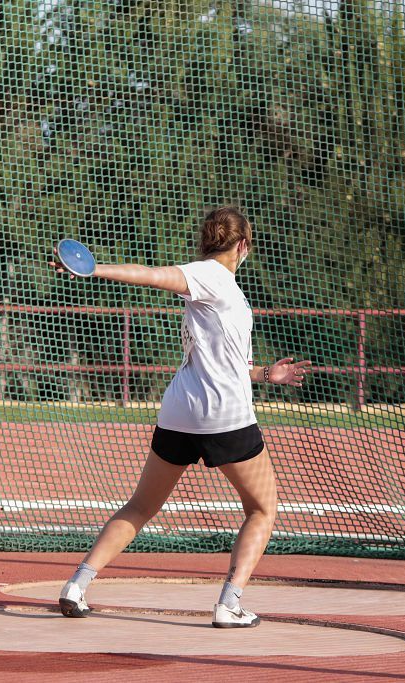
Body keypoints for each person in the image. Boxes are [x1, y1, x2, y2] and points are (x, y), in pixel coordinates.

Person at [50, 207, 311, 628]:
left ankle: (76, 586)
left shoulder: (218, 289)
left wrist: (266, 374)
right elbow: (153, 275)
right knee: (263, 509)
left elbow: (224, 360)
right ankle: (229, 604)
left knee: (141, 505)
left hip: (179, 412)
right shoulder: (211, 275)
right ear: (242, 245)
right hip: (224, 414)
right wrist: (93, 269)